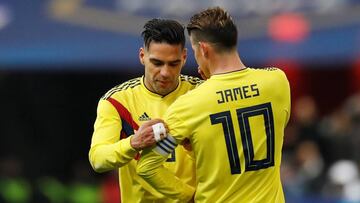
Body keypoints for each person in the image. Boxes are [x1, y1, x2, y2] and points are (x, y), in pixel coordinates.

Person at [137, 7, 291, 202]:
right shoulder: (277, 81)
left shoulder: (190, 104)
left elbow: (147, 166)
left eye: (193, 51)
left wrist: (188, 195)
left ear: (203, 49)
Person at [89, 18, 202, 202]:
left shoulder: (201, 93)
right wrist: (133, 143)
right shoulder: (118, 101)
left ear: (184, 57)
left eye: (173, 64)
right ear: (142, 56)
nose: (165, 72)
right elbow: (98, 159)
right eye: (157, 63)